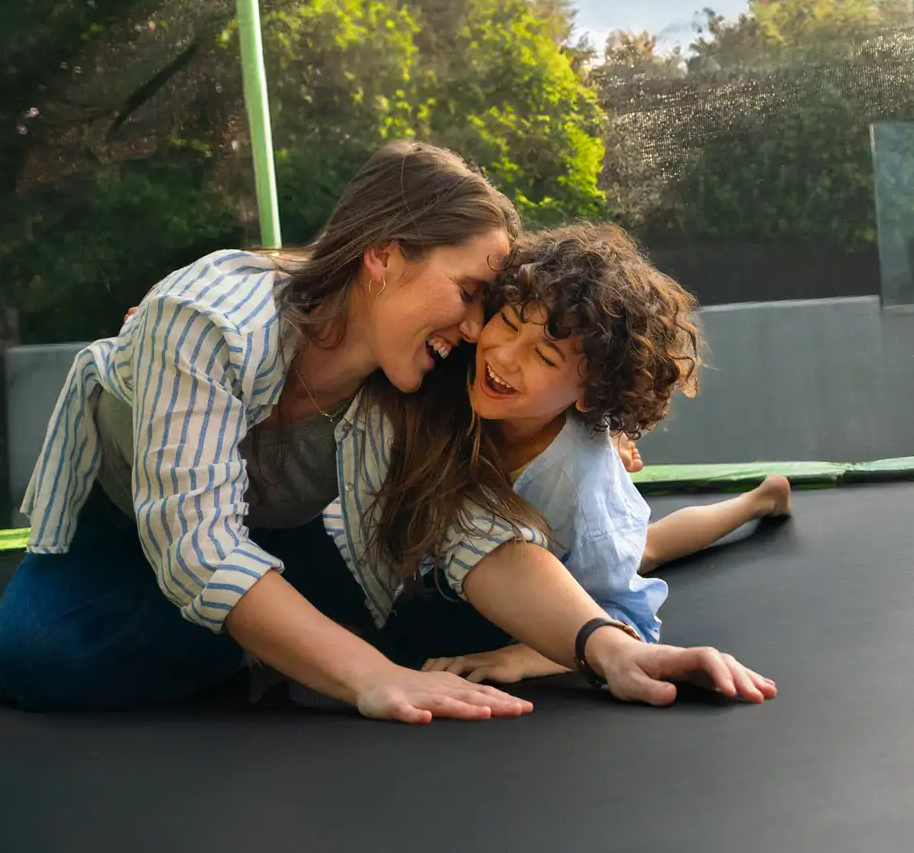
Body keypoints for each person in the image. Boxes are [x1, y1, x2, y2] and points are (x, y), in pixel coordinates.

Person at [0, 143, 775, 721]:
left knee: (419, 623)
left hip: (276, 531)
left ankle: (265, 634)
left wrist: (614, 650)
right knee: (43, 658)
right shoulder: (206, 321)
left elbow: (467, 524)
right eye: (471, 294)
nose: (476, 331)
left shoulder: (406, 377)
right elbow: (198, 546)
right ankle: (259, 635)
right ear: (384, 258)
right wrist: (364, 675)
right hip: (124, 522)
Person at [323, 224, 789, 686]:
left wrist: (524, 657)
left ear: (590, 391)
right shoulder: (455, 360)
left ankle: (760, 500)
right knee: (644, 545)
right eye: (505, 323)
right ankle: (759, 496)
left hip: (574, 531)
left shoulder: (581, 487)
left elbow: (631, 621)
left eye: (544, 358)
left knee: (644, 548)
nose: (504, 357)